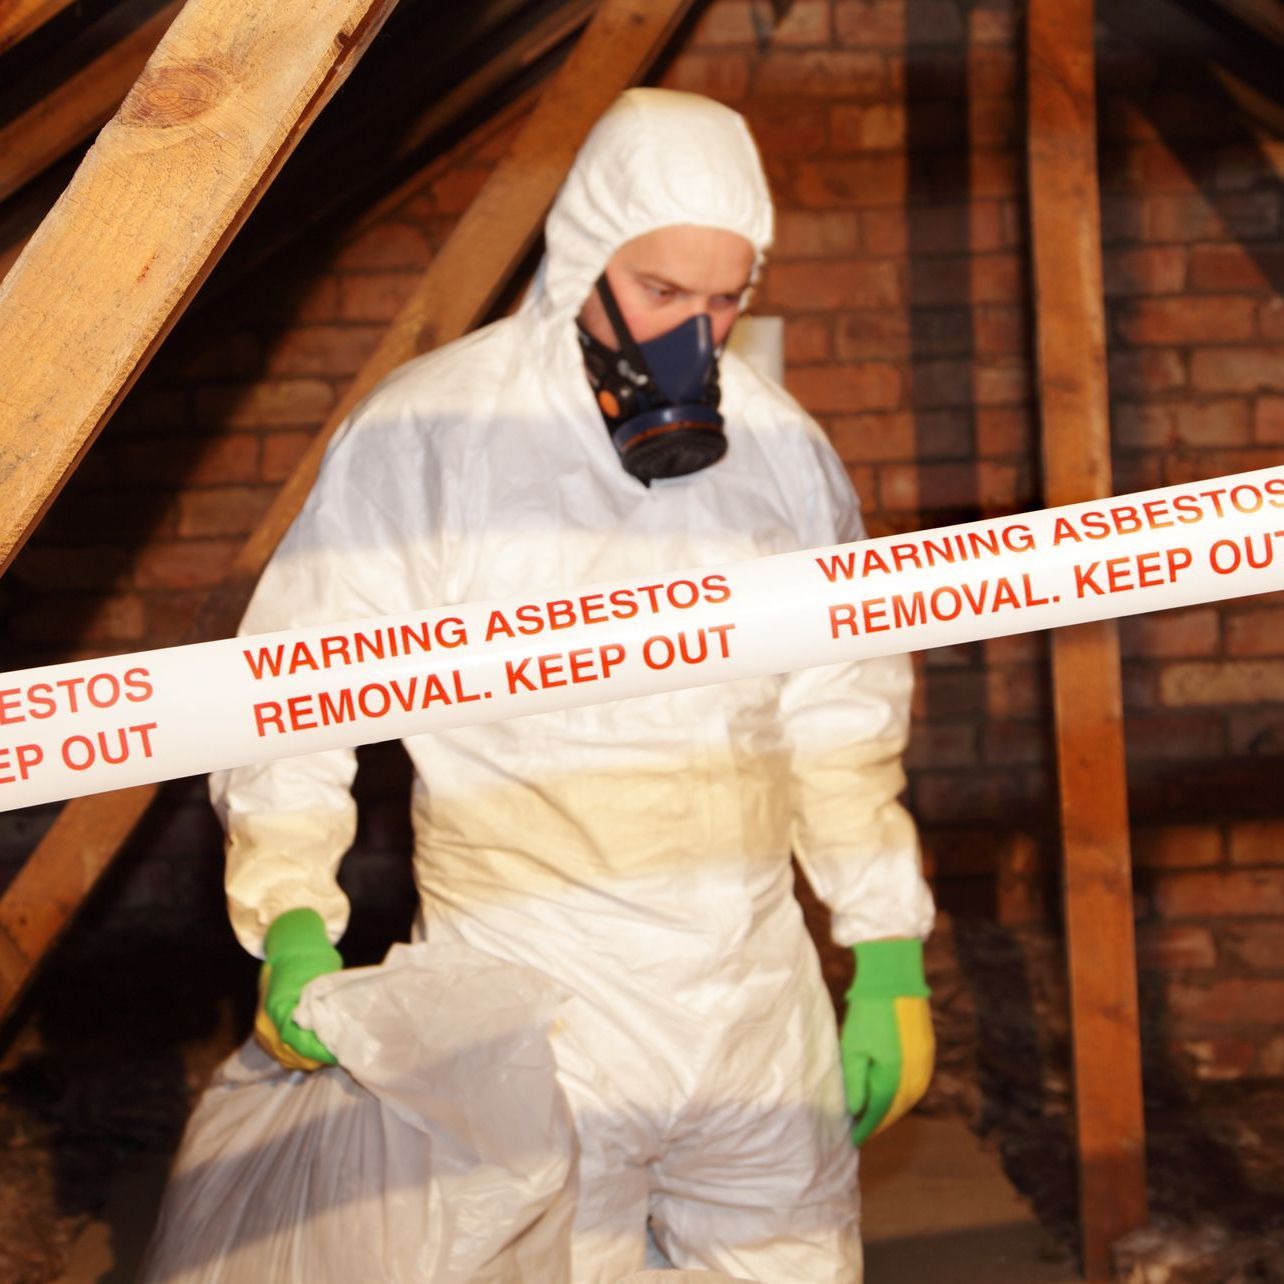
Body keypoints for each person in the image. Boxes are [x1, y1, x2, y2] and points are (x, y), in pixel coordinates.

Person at [210, 87, 935, 1283]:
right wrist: (292, 913)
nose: (692, 342)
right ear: (584, 258)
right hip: (531, 1003)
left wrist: (887, 946)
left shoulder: (780, 449)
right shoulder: (431, 436)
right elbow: (298, 685)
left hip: (747, 991)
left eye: (726, 300)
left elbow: (839, 714)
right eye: (660, 295)